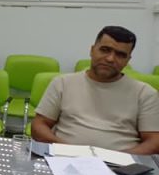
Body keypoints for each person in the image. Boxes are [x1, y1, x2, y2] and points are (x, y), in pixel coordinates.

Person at [32, 26, 159, 154]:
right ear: (92, 50)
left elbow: (154, 141)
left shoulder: (144, 94)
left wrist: (116, 158)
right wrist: (69, 152)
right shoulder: (62, 83)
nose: (110, 59)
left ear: (127, 60)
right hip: (65, 158)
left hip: (122, 163)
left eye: (120, 55)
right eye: (105, 50)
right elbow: (39, 125)